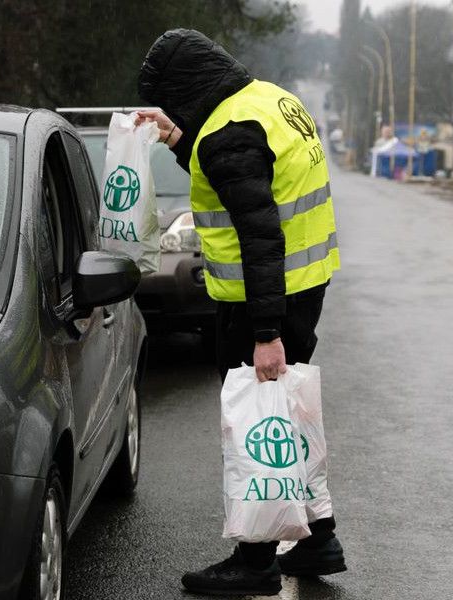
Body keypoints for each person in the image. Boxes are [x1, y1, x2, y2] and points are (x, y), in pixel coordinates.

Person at [136, 29, 346, 596]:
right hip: (303, 286)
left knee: (256, 423)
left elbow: (258, 235)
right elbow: (240, 180)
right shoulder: (269, 101)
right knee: (288, 415)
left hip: (266, 300)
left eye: (171, 100)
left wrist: (265, 333)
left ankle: (255, 563)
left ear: (186, 87)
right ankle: (316, 539)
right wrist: (181, 140)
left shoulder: (229, 134)